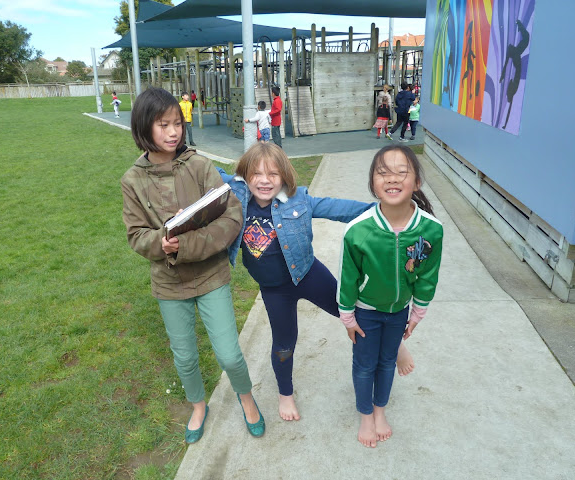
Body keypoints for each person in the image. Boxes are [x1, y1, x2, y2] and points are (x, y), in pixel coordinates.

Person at [217, 143, 416, 422]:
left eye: (273, 174)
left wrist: (384, 210)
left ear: (285, 176)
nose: (264, 181)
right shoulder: (235, 193)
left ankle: (395, 347)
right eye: (257, 174)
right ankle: (285, 393)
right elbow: (206, 171)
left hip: (309, 275)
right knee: (284, 344)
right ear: (244, 176)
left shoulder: (299, 201)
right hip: (274, 291)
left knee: (355, 314)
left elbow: (338, 208)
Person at [121, 87, 265, 444]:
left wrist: (184, 245)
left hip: (211, 276)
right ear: (143, 127)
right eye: (163, 125)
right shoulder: (132, 180)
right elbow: (136, 235)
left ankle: (246, 397)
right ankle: (198, 406)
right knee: (184, 358)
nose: (173, 132)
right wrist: (160, 242)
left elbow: (232, 216)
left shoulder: (200, 166)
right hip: (169, 284)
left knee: (229, 355)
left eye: (177, 123)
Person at [337, 145, 443, 448]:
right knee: (364, 365)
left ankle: (380, 411)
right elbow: (347, 278)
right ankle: (365, 415)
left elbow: (427, 276)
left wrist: (418, 312)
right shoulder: (358, 231)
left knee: (386, 363)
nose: (392, 178)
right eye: (383, 173)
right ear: (373, 183)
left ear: (417, 182)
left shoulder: (431, 230)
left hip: (399, 311)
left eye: (402, 172)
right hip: (366, 311)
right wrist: (347, 316)